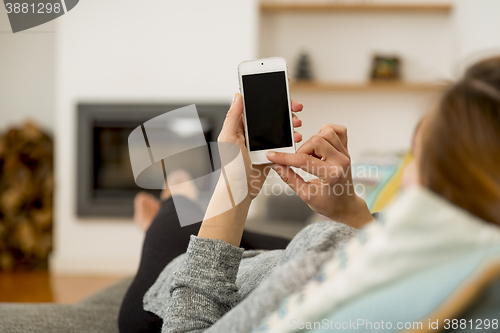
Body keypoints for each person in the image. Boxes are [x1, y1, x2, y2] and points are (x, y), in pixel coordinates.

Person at [119, 56, 500, 333]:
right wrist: (352, 213)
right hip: (269, 261)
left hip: (161, 302)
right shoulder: (465, 268)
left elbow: (187, 322)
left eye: (415, 155)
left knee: (174, 222)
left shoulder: (318, 266)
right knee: (244, 236)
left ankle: (170, 202)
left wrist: (233, 190)